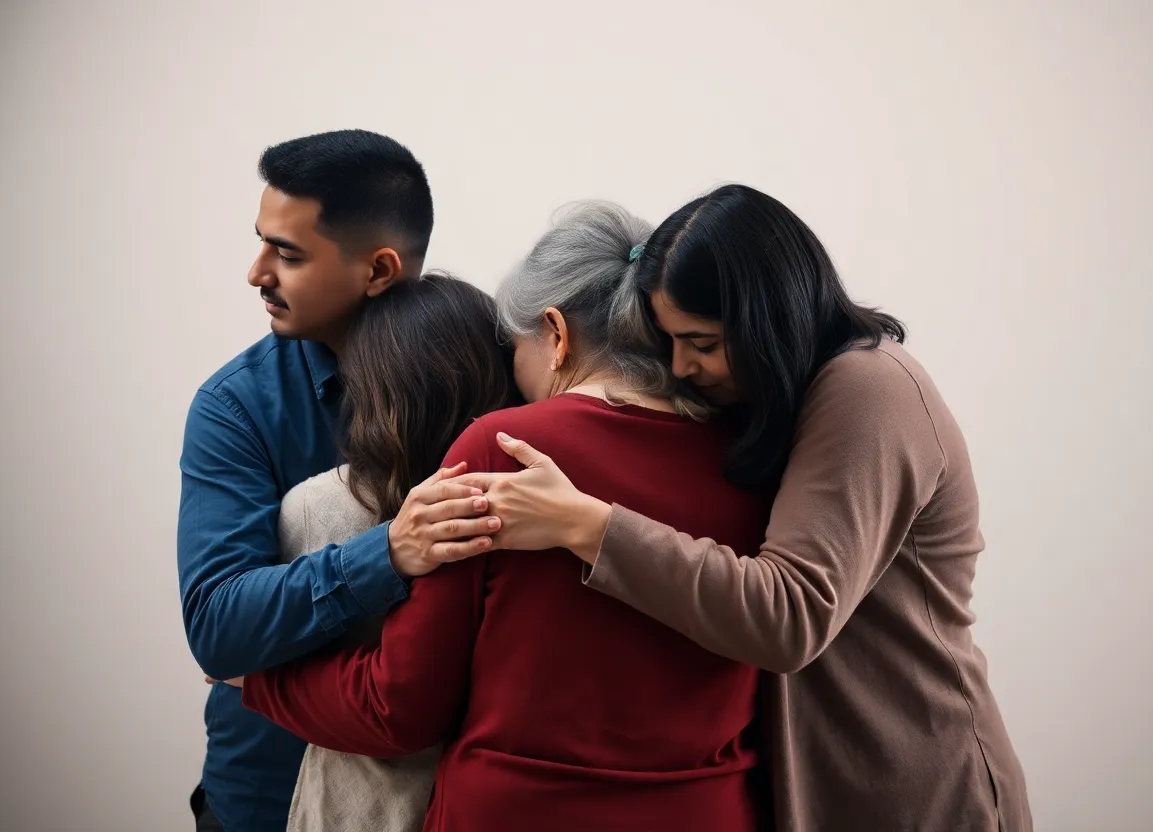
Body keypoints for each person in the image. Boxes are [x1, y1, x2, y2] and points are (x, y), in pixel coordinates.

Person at [441, 185, 1035, 831]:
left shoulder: (870, 390)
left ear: (767, 320)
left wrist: (583, 522)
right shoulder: (784, 398)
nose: (681, 366)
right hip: (825, 784)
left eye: (700, 341)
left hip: (910, 789)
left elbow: (790, 616)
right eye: (669, 342)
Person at [239, 202, 774, 832]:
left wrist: (258, 680)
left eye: (513, 347)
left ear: (555, 334)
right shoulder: (750, 456)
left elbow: (400, 708)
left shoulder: (502, 448)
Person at [176, 130, 500, 832]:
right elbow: (216, 626)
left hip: (443, 803)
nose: (256, 271)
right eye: (263, 242)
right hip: (263, 798)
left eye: (287, 253)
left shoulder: (487, 370)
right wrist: (385, 553)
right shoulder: (237, 406)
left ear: (379, 269)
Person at [269, 274, 516, 832]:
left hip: (357, 806)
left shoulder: (314, 508)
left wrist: (255, 678)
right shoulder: (532, 504)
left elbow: (277, 649)